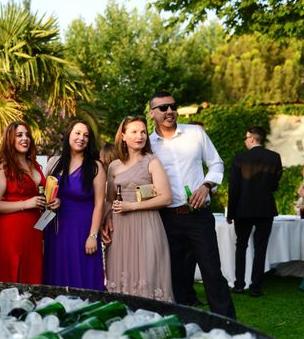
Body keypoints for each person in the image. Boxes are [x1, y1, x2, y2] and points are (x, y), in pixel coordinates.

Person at [148, 91, 236, 319]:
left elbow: (216, 163)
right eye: (163, 108)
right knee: (176, 275)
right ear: (152, 114)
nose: (169, 111)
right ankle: (183, 323)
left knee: (212, 272)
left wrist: (207, 185)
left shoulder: (195, 133)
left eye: (172, 106)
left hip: (199, 216)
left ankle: (227, 323)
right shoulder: (147, 144)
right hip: (167, 218)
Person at [101, 115, 174, 301]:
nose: (139, 136)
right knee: (121, 273)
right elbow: (109, 200)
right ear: (123, 136)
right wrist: (107, 218)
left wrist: (132, 206)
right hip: (120, 228)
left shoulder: (152, 161)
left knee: (146, 272)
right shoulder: (114, 166)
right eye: (134, 132)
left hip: (147, 225)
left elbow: (166, 198)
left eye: (143, 132)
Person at [0, 121, 55, 284]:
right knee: (10, 278)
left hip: (34, 232)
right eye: (19, 135)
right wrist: (25, 204)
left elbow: (43, 194)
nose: (25, 138)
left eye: (27, 135)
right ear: (10, 139)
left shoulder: (35, 165)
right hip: (10, 233)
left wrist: (53, 202)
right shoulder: (3, 168)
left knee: (31, 278)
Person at [43, 120, 105, 290]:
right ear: (68, 135)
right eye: (77, 133)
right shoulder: (55, 163)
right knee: (57, 275)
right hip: (56, 230)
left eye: (86, 135)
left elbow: (99, 203)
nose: (81, 138)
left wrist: (93, 236)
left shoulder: (95, 166)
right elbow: (45, 192)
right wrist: (52, 201)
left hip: (83, 230)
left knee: (83, 276)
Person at [227, 127, 283, 296]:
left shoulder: (239, 158)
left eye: (246, 138)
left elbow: (234, 188)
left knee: (241, 246)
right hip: (265, 208)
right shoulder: (274, 157)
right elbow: (274, 185)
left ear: (251, 139)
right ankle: (256, 287)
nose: (245, 141)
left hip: (243, 209)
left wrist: (231, 213)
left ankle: (238, 284)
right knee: (260, 248)